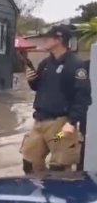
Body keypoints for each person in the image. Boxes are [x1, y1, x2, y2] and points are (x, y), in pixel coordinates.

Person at [22, 24, 92, 174]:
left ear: (59, 39)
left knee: (59, 167)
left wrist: (72, 122)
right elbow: (39, 88)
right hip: (40, 123)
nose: (44, 41)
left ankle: (60, 194)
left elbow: (83, 96)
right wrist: (32, 80)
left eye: (47, 38)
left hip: (60, 126)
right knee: (30, 162)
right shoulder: (45, 63)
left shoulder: (76, 65)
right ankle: (41, 192)